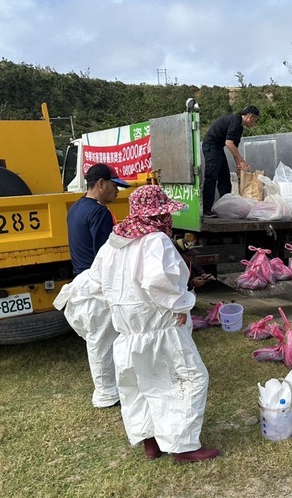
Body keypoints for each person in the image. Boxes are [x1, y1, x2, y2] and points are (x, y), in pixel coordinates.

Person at [88, 185, 220, 463]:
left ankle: (151, 440)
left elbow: (97, 284)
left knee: (141, 383)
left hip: (128, 331)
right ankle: (183, 446)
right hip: (160, 325)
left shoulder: (114, 240)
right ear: (158, 216)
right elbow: (158, 281)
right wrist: (181, 304)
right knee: (189, 379)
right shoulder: (154, 241)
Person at [59, 162, 130, 409]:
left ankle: (111, 389)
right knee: (102, 340)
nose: (117, 191)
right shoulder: (100, 213)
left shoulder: (75, 208)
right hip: (97, 285)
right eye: (114, 185)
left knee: (99, 339)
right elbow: (108, 254)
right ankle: (107, 394)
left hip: (81, 280)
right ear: (100, 183)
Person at [201, 106, 260, 218]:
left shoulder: (239, 127)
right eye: (255, 121)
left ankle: (225, 208)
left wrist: (239, 166)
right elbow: (229, 143)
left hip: (218, 148)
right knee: (211, 178)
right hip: (211, 146)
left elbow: (234, 149)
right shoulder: (235, 121)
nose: (254, 124)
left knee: (224, 178)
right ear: (250, 117)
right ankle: (206, 210)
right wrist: (241, 160)